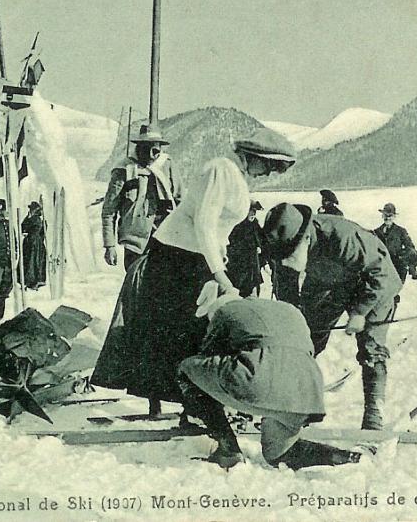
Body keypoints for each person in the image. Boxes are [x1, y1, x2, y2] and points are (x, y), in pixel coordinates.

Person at [94, 127, 296, 417]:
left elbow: (219, 228)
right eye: (268, 165)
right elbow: (203, 222)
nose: (269, 173)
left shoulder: (238, 179)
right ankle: (180, 402)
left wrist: (221, 253)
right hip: (174, 258)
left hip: (197, 259)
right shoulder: (220, 170)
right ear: (251, 157)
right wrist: (219, 274)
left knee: (196, 332)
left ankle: (194, 404)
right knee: (181, 331)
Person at [178, 283, 360, 470]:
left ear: (214, 307)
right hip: (306, 392)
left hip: (262, 381)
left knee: (188, 368)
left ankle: (228, 450)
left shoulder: (225, 311)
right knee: (278, 453)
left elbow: (209, 356)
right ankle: (339, 456)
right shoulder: (288, 309)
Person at [262, 202, 402, 430]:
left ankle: (374, 417)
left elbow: (381, 274)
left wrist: (360, 312)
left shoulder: (343, 237)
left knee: (371, 348)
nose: (285, 260)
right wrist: (293, 323)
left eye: (290, 254)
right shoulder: (287, 248)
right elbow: (287, 293)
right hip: (328, 281)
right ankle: (295, 404)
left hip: (372, 282)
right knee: (305, 339)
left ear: (305, 239)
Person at [100, 124, 181, 271]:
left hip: (164, 241)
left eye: (155, 150)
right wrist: (109, 246)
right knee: (136, 287)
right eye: (146, 148)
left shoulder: (167, 166)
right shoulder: (124, 170)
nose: (151, 155)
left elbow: (181, 204)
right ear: (138, 147)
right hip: (135, 245)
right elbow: (109, 211)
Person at [374, 203, 417, 290]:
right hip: (382, 268)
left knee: (394, 292)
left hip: (397, 267)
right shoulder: (376, 232)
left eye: (390, 215)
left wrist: (405, 262)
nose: (387, 218)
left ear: (394, 216)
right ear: (382, 215)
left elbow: (411, 248)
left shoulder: (400, 231)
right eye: (385, 215)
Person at [226, 201, 265, 297]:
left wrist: (260, 249)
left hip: (253, 268)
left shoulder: (255, 225)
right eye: (251, 211)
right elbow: (231, 247)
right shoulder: (236, 227)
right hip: (239, 269)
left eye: (255, 211)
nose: (253, 214)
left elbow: (262, 240)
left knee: (253, 292)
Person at [21, 201, 47, 290]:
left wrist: (27, 218)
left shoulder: (34, 219)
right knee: (34, 261)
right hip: (37, 242)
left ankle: (31, 281)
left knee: (31, 261)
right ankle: (35, 280)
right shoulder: (39, 219)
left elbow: (23, 227)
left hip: (32, 242)